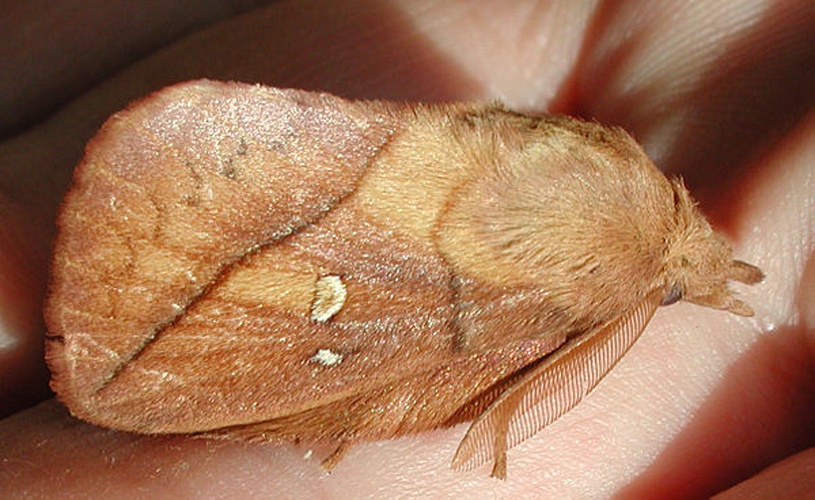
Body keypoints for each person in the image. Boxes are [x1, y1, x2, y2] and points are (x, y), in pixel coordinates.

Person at [1, 1, 812, 497]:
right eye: (666, 294)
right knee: (173, 378)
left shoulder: (624, 164)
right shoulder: (568, 283)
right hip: (335, 274)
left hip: (339, 159)